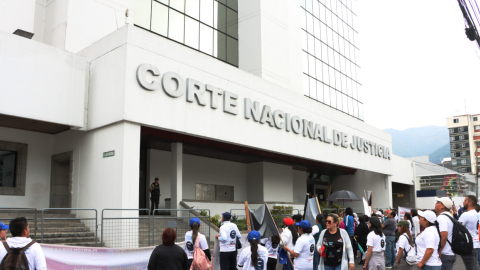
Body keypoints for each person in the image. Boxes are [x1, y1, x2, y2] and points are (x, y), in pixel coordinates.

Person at [458, 195, 480, 269]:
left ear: (470, 203)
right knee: (475, 267)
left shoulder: (466, 214)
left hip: (468, 245)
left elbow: (457, 229)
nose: (463, 202)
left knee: (471, 268)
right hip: (476, 244)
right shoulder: (478, 214)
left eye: (465, 201)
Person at [434, 196, 456, 269]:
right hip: (451, 252)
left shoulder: (442, 217)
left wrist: (439, 251)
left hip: (445, 253)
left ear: (443, 206)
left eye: (437, 202)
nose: (435, 204)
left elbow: (444, 236)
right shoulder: (450, 216)